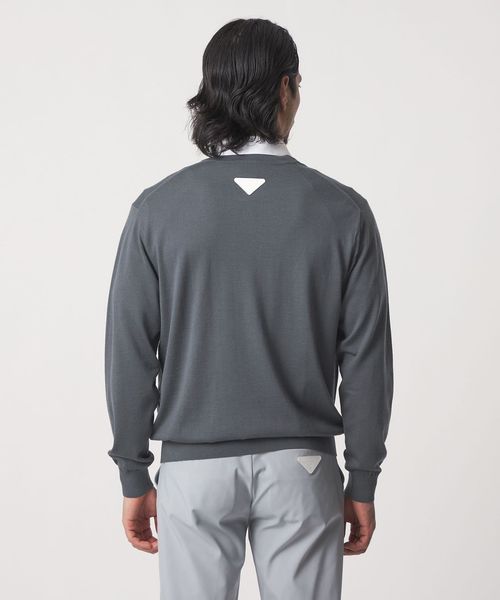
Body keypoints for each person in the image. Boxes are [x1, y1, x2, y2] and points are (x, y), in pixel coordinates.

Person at [104, 17, 393, 600]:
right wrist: (362, 477)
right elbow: (366, 358)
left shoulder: (158, 210)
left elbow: (129, 350)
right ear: (286, 88)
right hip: (304, 469)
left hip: (193, 472)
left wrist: (134, 472)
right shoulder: (344, 212)